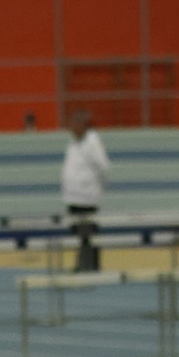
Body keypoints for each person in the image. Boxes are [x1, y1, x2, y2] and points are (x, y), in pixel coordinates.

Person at [60, 112, 110, 272]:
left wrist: (92, 186)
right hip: (73, 196)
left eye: (74, 124)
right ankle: (83, 262)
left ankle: (91, 264)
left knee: (88, 233)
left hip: (86, 197)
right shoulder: (73, 142)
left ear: (83, 125)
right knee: (79, 233)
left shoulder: (92, 142)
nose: (71, 127)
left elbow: (103, 167)